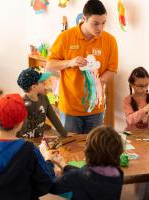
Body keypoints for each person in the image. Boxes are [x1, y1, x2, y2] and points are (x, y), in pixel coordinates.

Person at [46, 0, 118, 134]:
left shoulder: (110, 41)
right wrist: (69, 62)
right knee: (70, 150)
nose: (100, 28)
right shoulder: (65, 37)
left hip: (96, 108)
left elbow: (112, 70)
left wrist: (97, 82)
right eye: (95, 23)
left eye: (103, 23)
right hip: (70, 108)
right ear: (84, 18)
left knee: (94, 149)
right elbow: (49, 64)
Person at [50, 126, 124, 200]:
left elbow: (50, 186)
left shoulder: (75, 177)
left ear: (88, 150)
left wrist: (49, 162)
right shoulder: (118, 173)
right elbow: (88, 173)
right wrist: (64, 165)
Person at [16, 67, 67, 139]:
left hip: (39, 140)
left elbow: (53, 117)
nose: (45, 83)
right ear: (33, 87)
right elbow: (14, 126)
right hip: (23, 143)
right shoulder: (22, 103)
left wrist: (64, 133)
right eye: (42, 82)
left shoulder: (44, 98)